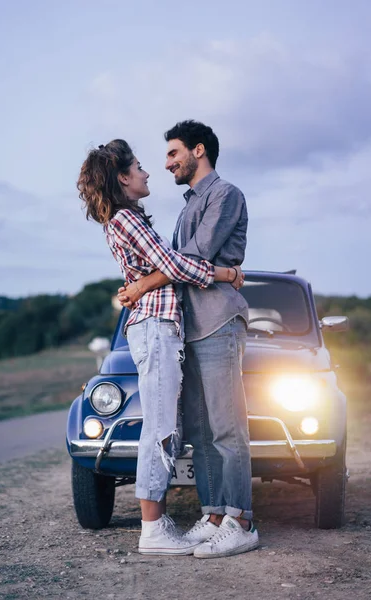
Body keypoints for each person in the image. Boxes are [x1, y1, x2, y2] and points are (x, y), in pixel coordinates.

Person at [77, 139, 244, 556]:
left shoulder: (128, 218)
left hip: (159, 324)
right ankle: (152, 529)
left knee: (168, 427)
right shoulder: (125, 219)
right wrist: (224, 273)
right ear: (122, 178)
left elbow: (162, 266)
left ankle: (160, 522)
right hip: (154, 326)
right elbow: (173, 264)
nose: (148, 171)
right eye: (138, 166)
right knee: (159, 429)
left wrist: (138, 285)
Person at [118, 120, 259, 559]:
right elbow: (178, 263)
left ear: (198, 150)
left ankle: (242, 521)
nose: (166, 164)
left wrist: (140, 286)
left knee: (226, 427)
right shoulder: (186, 207)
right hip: (188, 329)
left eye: (174, 154)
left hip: (218, 322)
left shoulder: (225, 194)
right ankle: (215, 514)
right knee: (199, 429)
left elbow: (191, 259)